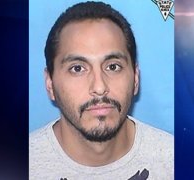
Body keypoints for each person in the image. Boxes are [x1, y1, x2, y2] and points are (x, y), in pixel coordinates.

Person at [29, 1, 174, 179]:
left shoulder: (174, 161)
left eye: (113, 67)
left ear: (135, 78)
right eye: (77, 68)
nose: (99, 87)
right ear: (50, 84)